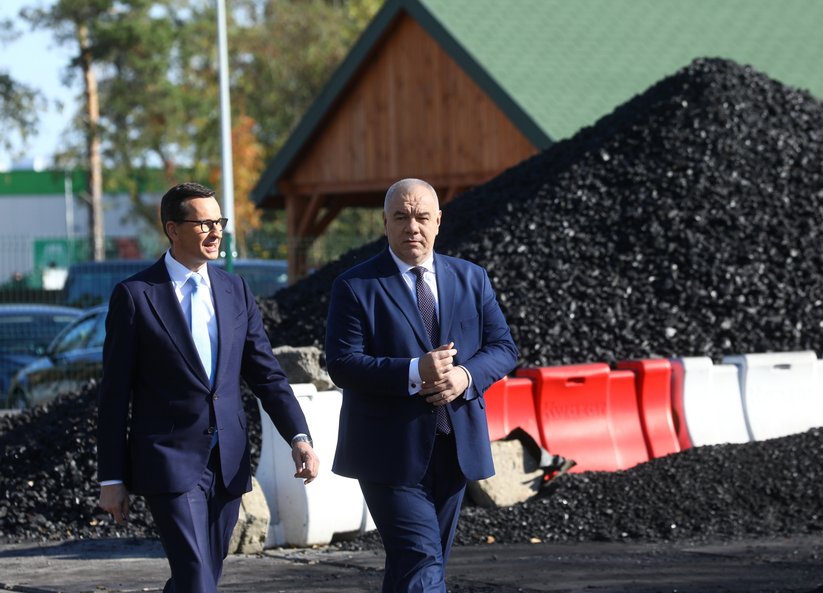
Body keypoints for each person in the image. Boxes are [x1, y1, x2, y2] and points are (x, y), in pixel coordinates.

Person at [97, 182, 319, 593]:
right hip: (169, 462)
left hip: (228, 462)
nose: (216, 232)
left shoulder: (235, 290)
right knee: (198, 580)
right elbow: (113, 395)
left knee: (199, 576)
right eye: (203, 223)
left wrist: (299, 437)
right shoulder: (135, 296)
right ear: (172, 229)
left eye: (219, 222)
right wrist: (111, 477)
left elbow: (266, 373)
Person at [325, 178, 518, 592]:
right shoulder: (356, 286)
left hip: (454, 448)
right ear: (385, 223)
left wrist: (465, 376)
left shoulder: (471, 278)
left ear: (438, 223)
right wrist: (415, 370)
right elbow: (343, 364)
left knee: (415, 568)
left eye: (421, 217)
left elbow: (503, 348)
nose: (412, 226)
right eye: (401, 217)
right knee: (421, 560)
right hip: (388, 453)